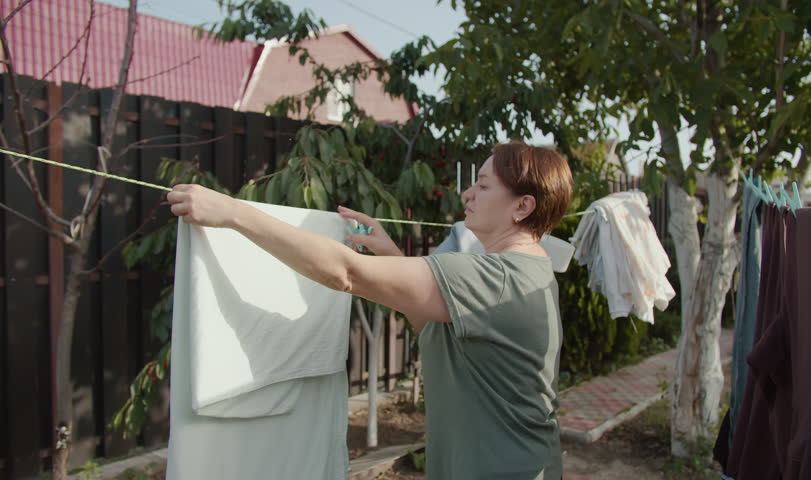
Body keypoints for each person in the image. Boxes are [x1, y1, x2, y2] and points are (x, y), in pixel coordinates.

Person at [167, 141, 574, 479]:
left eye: (483, 186)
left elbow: (346, 272)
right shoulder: (527, 271)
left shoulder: (497, 277)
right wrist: (390, 254)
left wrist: (234, 213)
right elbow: (433, 328)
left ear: (522, 206)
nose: (467, 194)